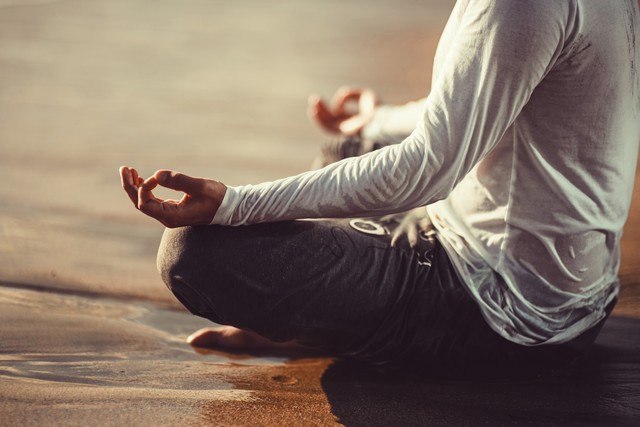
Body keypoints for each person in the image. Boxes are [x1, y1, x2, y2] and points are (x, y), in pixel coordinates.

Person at [119, 0, 640, 377]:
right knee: (349, 147)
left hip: (507, 315)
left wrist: (236, 204)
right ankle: (321, 318)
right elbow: (488, 97)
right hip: (573, 294)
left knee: (192, 252)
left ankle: (317, 328)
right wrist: (379, 119)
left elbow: (428, 172)